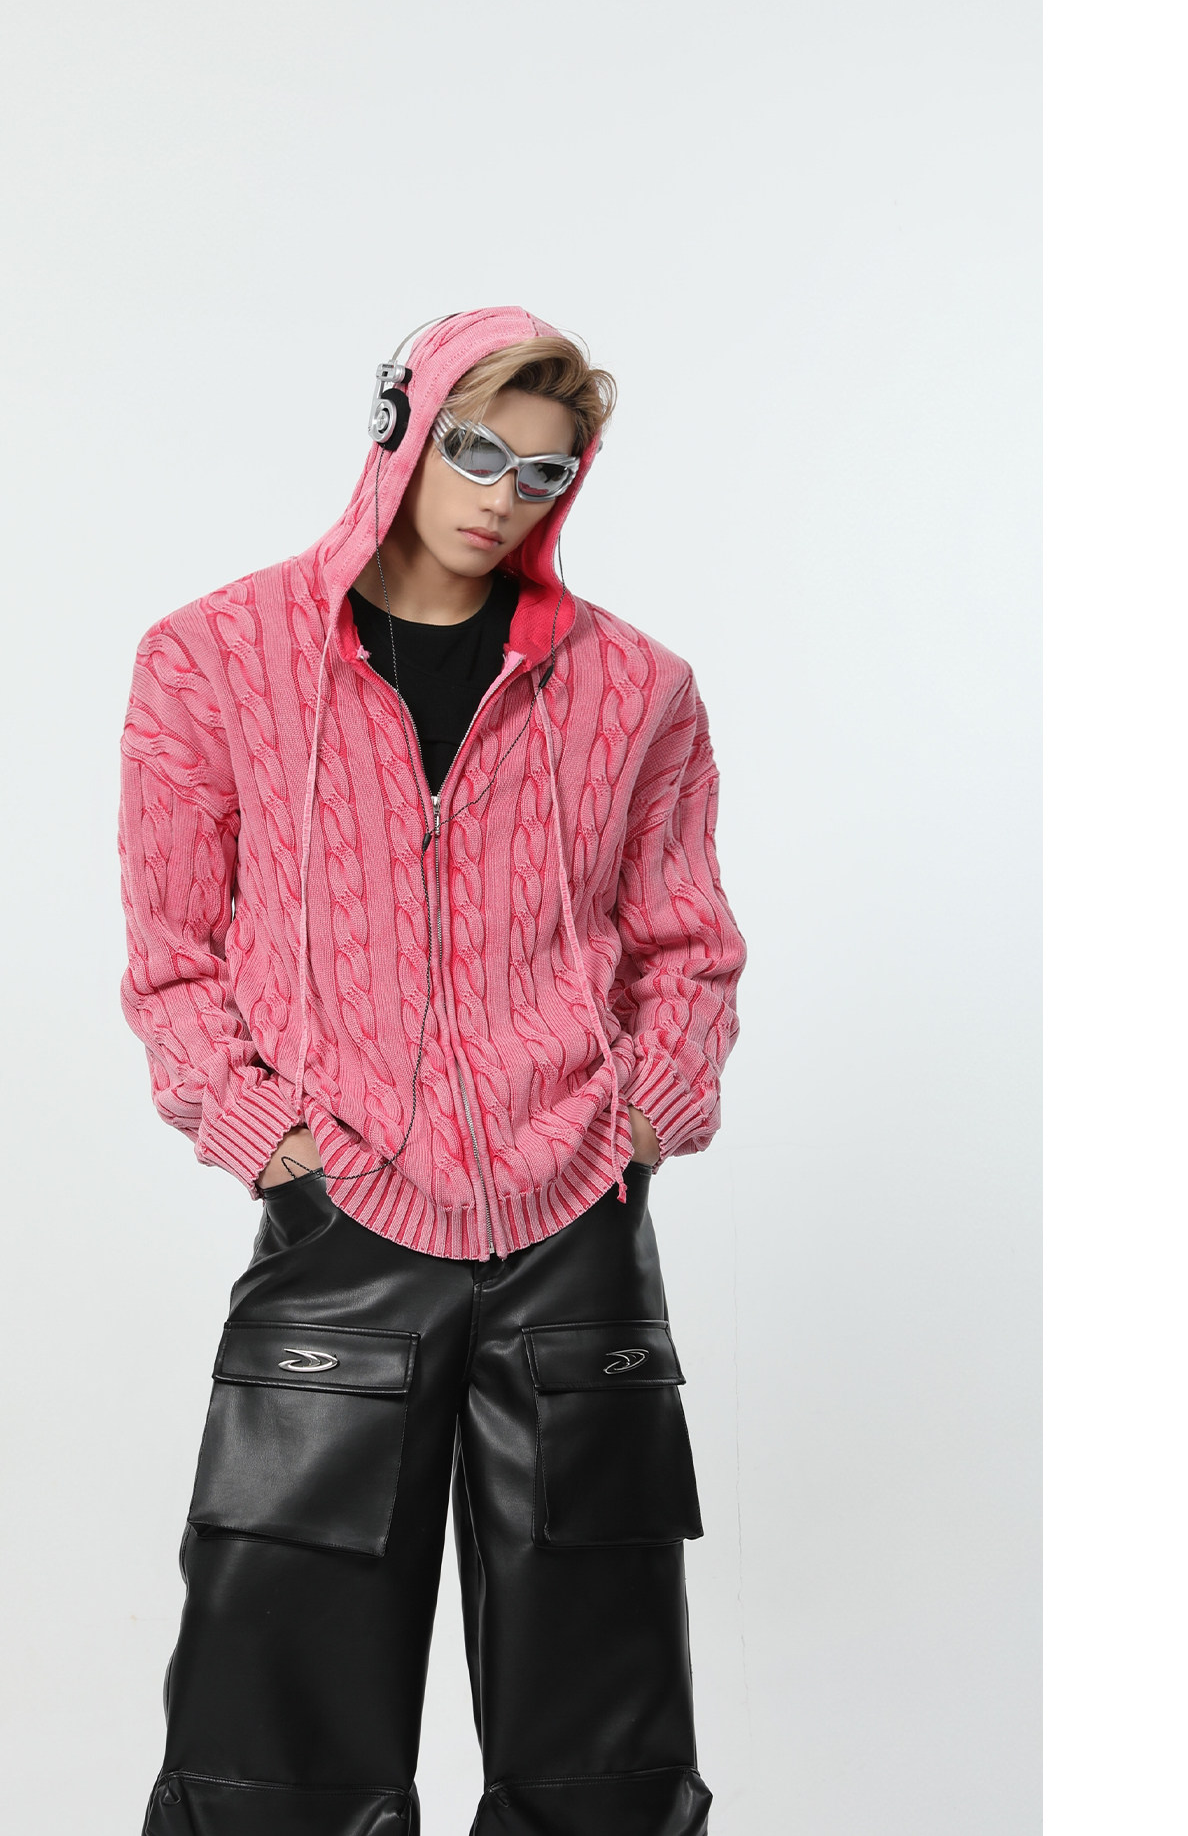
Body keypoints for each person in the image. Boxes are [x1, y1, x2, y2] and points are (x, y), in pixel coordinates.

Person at [118, 306, 746, 1836]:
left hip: (577, 1223)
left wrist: (643, 1118)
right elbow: (173, 953)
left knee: (602, 1730)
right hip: (339, 1223)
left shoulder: (638, 687)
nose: (501, 495)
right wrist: (268, 1137)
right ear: (399, 428)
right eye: (475, 450)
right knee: (275, 1721)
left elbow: (688, 944)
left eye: (545, 471)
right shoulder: (213, 659)